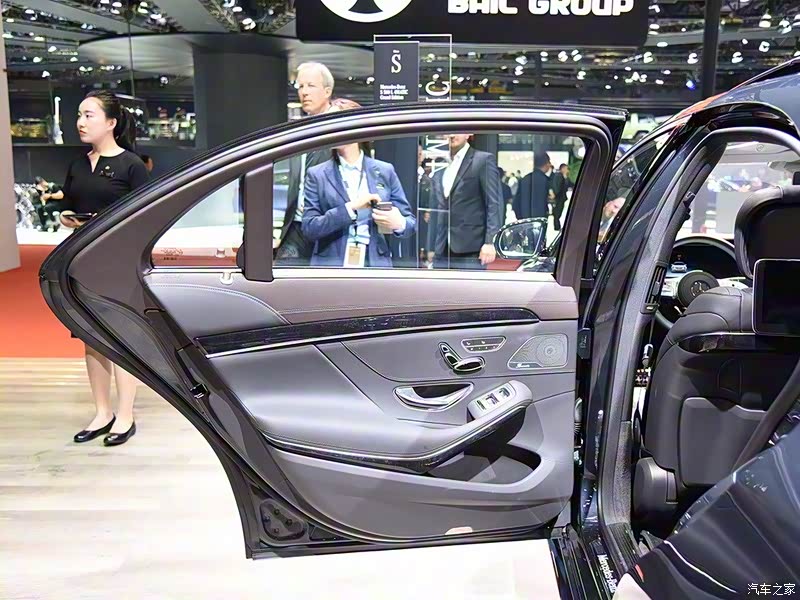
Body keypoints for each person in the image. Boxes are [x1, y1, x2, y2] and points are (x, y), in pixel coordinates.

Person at [59, 90, 149, 447]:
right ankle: (102, 412)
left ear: (111, 122)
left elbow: (146, 216)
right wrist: (68, 216)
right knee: (90, 337)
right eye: (79, 115)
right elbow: (67, 204)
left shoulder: (131, 165)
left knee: (121, 338)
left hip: (119, 262)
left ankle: (125, 416)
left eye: (89, 115)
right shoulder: (78, 165)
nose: (81, 122)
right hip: (80, 260)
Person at [302, 99, 416, 268]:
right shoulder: (317, 174)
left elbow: (410, 223)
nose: (330, 129)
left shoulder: (384, 171)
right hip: (331, 266)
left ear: (355, 125)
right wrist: (350, 209)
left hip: (375, 265)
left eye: (335, 123)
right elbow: (309, 228)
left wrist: (398, 223)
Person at [275, 62, 337, 265]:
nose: (304, 92)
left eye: (311, 85)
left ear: (327, 91)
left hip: (329, 227)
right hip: (296, 226)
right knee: (285, 277)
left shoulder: (341, 130)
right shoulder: (299, 132)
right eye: (300, 86)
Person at [432, 134, 503, 269]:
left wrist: (490, 242)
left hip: (471, 248)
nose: (452, 134)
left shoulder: (482, 160)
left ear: (468, 133)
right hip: (442, 247)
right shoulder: (441, 165)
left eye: (457, 129)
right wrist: (431, 245)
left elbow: (494, 203)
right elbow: (437, 208)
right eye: (448, 130)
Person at [513, 152, 552, 221]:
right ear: (547, 163)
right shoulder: (545, 180)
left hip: (525, 220)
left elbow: (516, 203)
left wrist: (520, 218)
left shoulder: (524, 179)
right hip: (540, 220)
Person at [550, 163, 573, 231]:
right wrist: (555, 194)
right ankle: (557, 227)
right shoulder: (558, 176)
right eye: (566, 169)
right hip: (558, 198)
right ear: (562, 169)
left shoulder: (564, 177)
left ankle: (558, 226)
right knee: (557, 213)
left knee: (559, 212)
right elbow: (557, 187)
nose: (568, 170)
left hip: (561, 198)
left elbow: (570, 184)